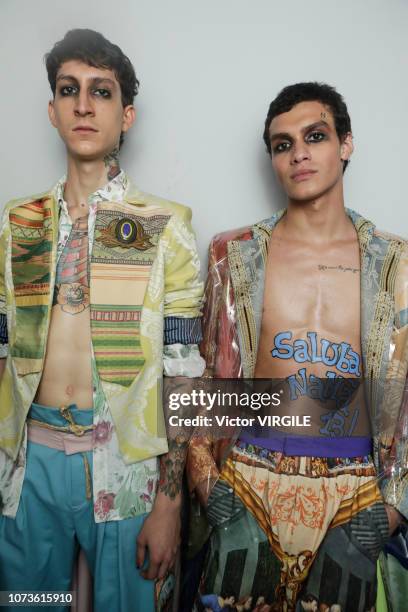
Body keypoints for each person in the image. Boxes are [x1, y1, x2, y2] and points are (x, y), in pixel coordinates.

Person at [0, 28, 204, 611]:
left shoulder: (164, 223)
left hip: (127, 466)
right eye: (69, 90)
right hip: (26, 465)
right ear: (52, 109)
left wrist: (170, 504)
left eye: (102, 92)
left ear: (127, 115)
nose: (83, 105)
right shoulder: (19, 222)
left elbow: (185, 376)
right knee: (25, 605)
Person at [188, 82, 408, 611]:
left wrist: (389, 512)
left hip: (354, 491)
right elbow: (203, 383)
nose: (299, 153)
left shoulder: (397, 263)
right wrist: (213, 494)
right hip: (248, 478)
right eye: (282, 144)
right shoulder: (232, 253)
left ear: (346, 144)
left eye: (315, 136)